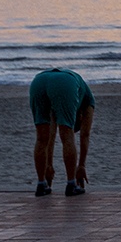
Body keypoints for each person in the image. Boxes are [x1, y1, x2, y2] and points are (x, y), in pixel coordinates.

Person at [29, 67, 96, 197]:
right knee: (67, 136)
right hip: (65, 82)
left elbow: (50, 135)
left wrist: (49, 165)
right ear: (80, 116)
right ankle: (71, 184)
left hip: (39, 80)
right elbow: (85, 134)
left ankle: (41, 184)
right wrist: (81, 165)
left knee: (41, 137)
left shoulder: (62, 105)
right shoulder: (88, 100)